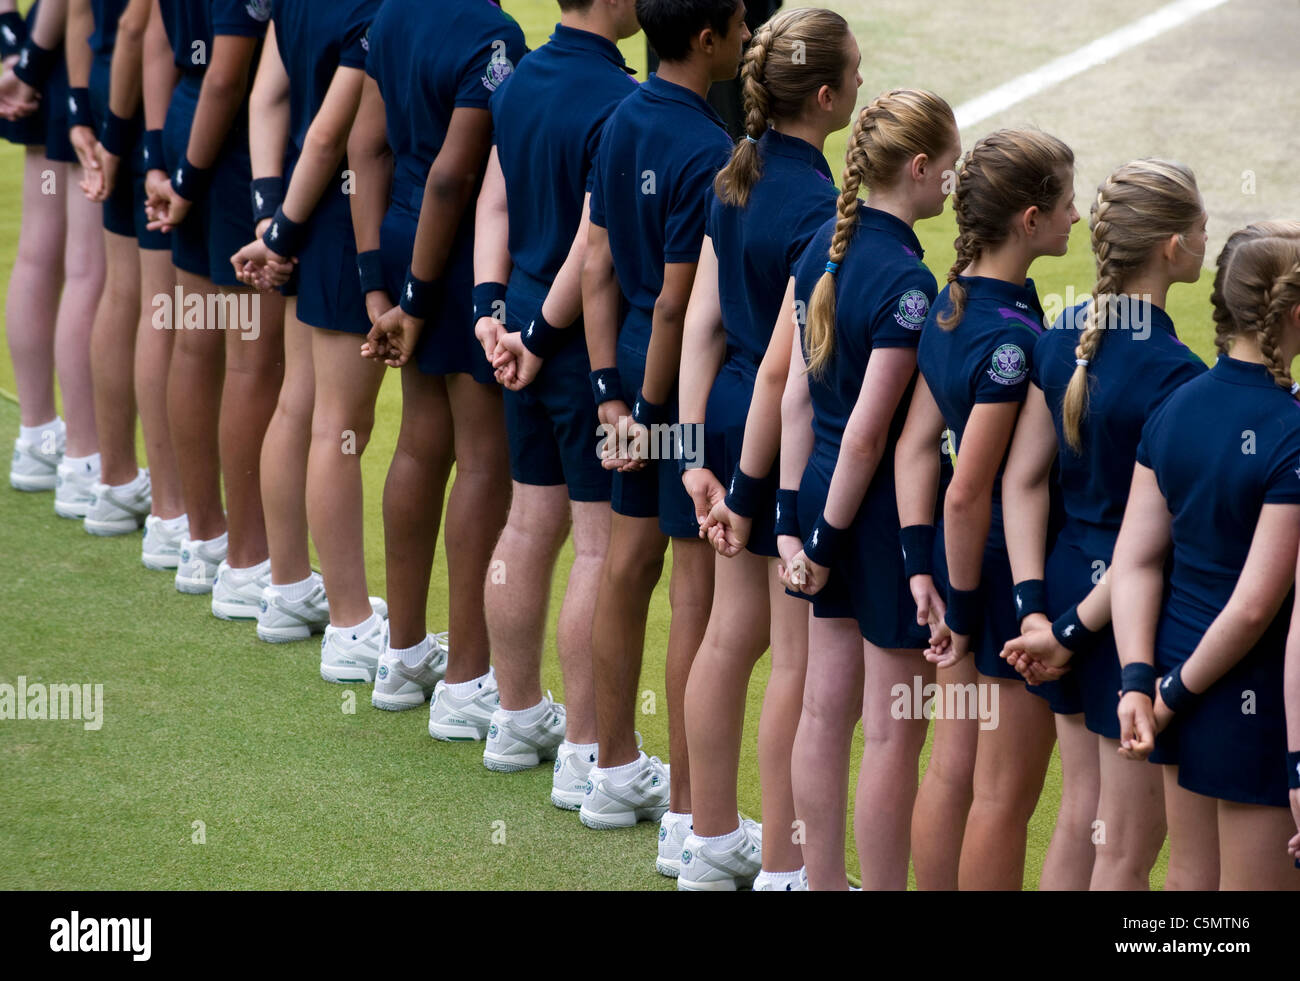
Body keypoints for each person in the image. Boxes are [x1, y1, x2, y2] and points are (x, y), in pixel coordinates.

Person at [672, 6, 860, 890]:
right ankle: (785, 864)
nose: (862, 85)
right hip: (771, 433)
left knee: (724, 634)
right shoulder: (822, 207)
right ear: (824, 96)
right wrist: (754, 494)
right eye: (855, 75)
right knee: (788, 657)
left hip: (718, 416)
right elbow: (790, 376)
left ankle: (707, 839)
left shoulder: (733, 175)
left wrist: (690, 453)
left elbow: (702, 320)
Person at [998, 160, 1207, 889]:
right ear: (1173, 249)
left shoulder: (1061, 339)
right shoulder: (1179, 375)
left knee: (1083, 811)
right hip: (1123, 622)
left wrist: (1036, 612)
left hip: (1064, 591)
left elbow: (1022, 480)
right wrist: (1067, 632)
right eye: (1202, 225)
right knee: (1125, 845)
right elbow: (1148, 546)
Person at [576, 0, 747, 876]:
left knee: (623, 564)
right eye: (744, 23)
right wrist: (649, 415)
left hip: (630, 373)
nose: (752, 37)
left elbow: (598, 263)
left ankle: (609, 770)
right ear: (710, 38)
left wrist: (608, 393)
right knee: (691, 595)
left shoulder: (619, 119)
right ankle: (686, 811)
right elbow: (682, 302)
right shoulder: (712, 151)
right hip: (675, 382)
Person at [771, 89, 958, 891]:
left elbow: (792, 400)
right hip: (872, 519)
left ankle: (820, 882)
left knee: (822, 709)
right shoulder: (910, 284)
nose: (952, 184)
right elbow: (868, 435)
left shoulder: (823, 247)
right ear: (916, 169)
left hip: (818, 495)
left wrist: (791, 522)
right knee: (889, 731)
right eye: (947, 168)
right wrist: (821, 543)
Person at [466, 0, 639, 800]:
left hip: (521, 332)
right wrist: (534, 338)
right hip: (571, 347)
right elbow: (590, 244)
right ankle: (585, 748)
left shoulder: (521, 74)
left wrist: (489, 314)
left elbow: (492, 202)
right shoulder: (616, 102)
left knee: (528, 522)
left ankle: (513, 715)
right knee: (598, 547)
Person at [899, 128, 1078, 890]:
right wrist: (968, 616)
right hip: (998, 577)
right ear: (1029, 220)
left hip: (959, 564)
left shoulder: (953, 298)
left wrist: (923, 570)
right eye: (1067, 200)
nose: (1079, 214)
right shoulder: (1012, 342)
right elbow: (970, 486)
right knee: (1004, 794)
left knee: (954, 766)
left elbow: (916, 445)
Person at [349, 0, 525, 712]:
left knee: (421, 443)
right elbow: (455, 178)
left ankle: (404, 654)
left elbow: (366, 149)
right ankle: (468, 680)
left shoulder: (390, 14)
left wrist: (376, 284)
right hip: (452, 259)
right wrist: (418, 301)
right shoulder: (495, 35)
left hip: (400, 239)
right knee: (485, 460)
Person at [1112, 227, 1300, 890]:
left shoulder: (1176, 405)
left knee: (1191, 884)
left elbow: (1132, 561)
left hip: (1173, 675)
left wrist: (1141, 680)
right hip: (1242, 698)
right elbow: (1253, 606)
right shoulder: (1291, 431)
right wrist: (1166, 695)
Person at [227, 0, 393, 658]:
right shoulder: (375, 9)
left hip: (299, 213)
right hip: (337, 222)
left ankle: (288, 585)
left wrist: (272, 218)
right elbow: (331, 134)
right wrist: (284, 233)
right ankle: (351, 624)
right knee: (341, 425)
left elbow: (268, 96)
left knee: (301, 403)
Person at [144, 0, 286, 610]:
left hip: (190, 119)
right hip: (227, 146)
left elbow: (152, 34)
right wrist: (189, 183)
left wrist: (164, 158)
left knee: (196, 342)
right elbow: (228, 73)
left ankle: (204, 539)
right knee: (251, 362)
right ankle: (246, 560)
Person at [76, 0, 185, 559]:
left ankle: (116, 483)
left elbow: (78, 14)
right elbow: (139, 24)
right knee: (164, 308)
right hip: (149, 107)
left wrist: (83, 114)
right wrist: (122, 141)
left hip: (109, 87)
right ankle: (170, 512)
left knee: (127, 292)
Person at [1, 0, 105, 520]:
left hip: (45, 51)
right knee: (88, 267)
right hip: (70, 54)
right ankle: (85, 459)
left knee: (42, 248)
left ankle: (40, 440)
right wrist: (29, 65)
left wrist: (12, 47)